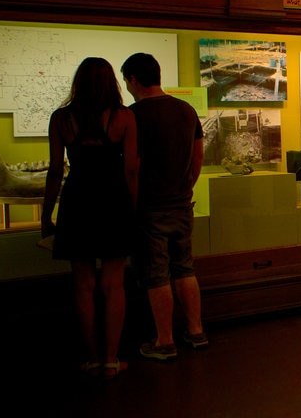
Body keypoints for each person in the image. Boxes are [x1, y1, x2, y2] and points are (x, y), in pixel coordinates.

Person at [41, 57, 138, 379]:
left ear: (78, 82)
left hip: (77, 200)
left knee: (82, 284)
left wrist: (46, 213)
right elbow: (130, 170)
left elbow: (56, 169)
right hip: (113, 200)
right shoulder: (124, 117)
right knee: (113, 283)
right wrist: (135, 208)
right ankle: (111, 360)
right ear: (112, 81)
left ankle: (91, 358)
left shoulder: (61, 118)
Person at [121, 52, 207, 361]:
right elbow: (198, 156)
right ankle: (196, 331)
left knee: (156, 272)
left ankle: (165, 340)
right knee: (184, 267)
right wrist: (186, 187)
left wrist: (133, 200)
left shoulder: (133, 115)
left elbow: (132, 166)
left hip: (150, 207)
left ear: (133, 79)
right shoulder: (185, 110)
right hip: (181, 204)